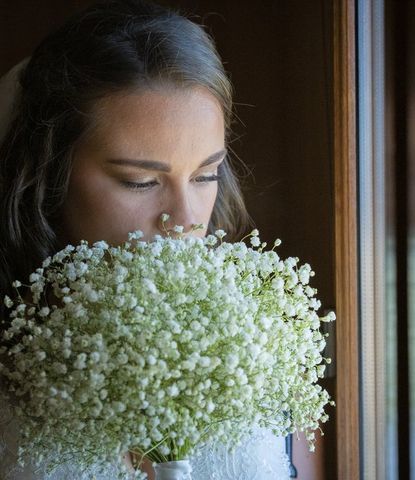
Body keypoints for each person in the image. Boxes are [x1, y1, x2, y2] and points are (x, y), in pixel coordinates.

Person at [0, 0, 291, 478]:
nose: (185, 220)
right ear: (48, 178)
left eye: (206, 174)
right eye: (140, 181)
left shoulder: (249, 357)